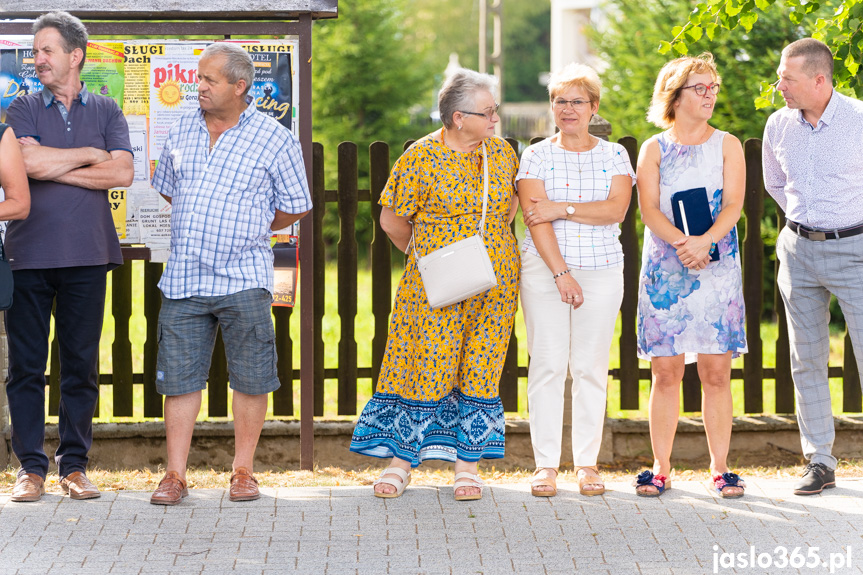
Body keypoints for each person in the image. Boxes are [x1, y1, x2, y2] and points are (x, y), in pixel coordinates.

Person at [148, 42, 311, 505]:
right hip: (184, 277)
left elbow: (294, 206)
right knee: (179, 379)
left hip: (244, 277)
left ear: (240, 87)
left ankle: (243, 471)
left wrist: (250, 226)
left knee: (252, 376)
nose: (197, 87)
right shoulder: (181, 129)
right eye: (198, 78)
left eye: (208, 80)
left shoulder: (274, 138)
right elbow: (169, 191)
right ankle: (174, 475)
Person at [349, 68, 520, 501]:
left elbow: (510, 208)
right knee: (426, 364)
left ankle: (467, 467)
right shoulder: (420, 157)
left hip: (495, 282)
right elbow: (391, 220)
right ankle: (402, 462)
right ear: (459, 117)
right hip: (434, 283)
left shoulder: (501, 155)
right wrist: (433, 258)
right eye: (488, 112)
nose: (496, 119)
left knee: (481, 366)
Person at [4, 11, 134, 503]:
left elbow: (121, 174)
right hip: (28, 256)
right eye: (35, 51)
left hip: (88, 255)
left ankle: (74, 466)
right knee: (27, 367)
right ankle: (31, 469)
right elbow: (26, 163)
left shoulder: (107, 110)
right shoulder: (20, 110)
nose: (36, 59)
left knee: (80, 364)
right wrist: (89, 154)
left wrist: (52, 164)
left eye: (46, 51)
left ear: (75, 56)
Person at [516, 63, 633, 497]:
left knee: (589, 367)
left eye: (577, 102)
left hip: (602, 271)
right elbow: (534, 219)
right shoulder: (536, 155)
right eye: (560, 101)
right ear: (552, 107)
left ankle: (586, 463)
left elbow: (616, 211)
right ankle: (545, 465)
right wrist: (562, 273)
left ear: (593, 107)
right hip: (546, 273)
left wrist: (560, 207)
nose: (568, 109)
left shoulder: (614, 155)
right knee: (547, 365)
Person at [634, 53, 747, 498]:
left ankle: (721, 469)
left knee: (716, 371)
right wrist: (685, 244)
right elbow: (649, 209)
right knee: (666, 371)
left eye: (713, 87)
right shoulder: (653, 148)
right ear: (674, 95)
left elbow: (734, 204)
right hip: (667, 268)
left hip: (717, 266)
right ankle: (661, 468)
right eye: (700, 88)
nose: (710, 95)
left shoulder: (728, 144)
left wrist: (706, 243)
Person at [763, 38, 863, 496]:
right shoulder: (779, 125)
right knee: (806, 359)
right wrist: (806, 225)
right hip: (798, 251)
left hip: (856, 249)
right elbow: (775, 183)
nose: (779, 85)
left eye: (787, 77)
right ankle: (819, 460)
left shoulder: (859, 119)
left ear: (819, 80)